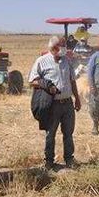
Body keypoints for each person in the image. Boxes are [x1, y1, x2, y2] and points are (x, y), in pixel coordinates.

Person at [28, 36, 81, 170]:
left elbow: (72, 80)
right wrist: (45, 85)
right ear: (53, 48)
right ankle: (49, 161)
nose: (65, 48)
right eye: (62, 46)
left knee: (68, 133)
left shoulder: (67, 61)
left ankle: (69, 159)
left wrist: (77, 98)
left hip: (67, 104)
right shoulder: (41, 61)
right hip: (52, 105)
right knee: (50, 134)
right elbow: (32, 81)